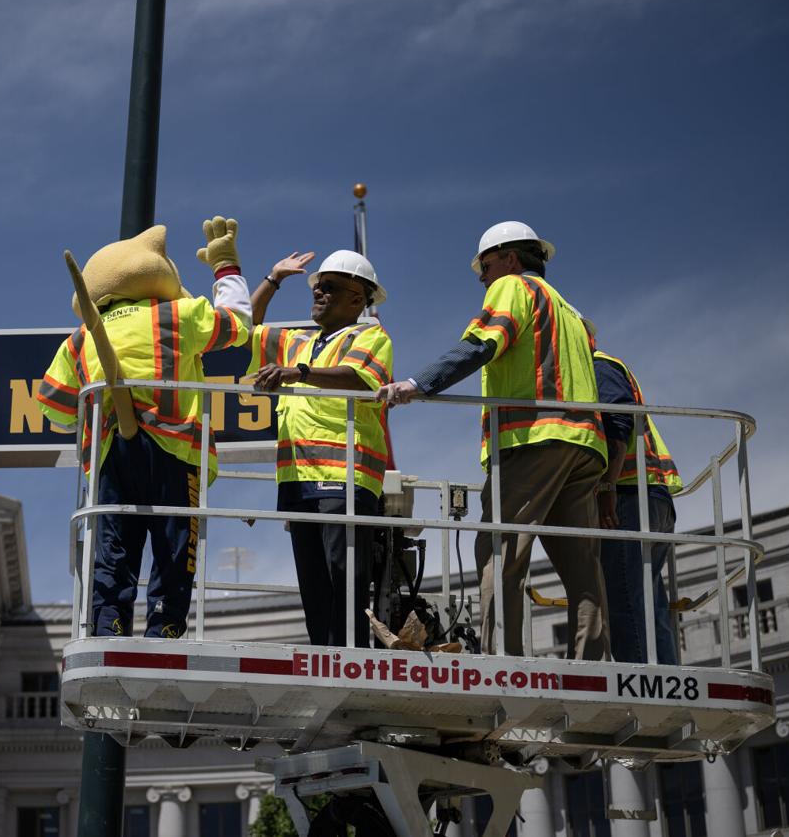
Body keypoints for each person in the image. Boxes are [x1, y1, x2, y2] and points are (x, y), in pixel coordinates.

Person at [378, 221, 609, 660]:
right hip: (583, 448)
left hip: (534, 439)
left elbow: (483, 342)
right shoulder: (571, 312)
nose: (482, 278)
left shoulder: (512, 287)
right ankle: (592, 665)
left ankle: (502, 663)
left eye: (484, 266)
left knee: (499, 554)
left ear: (509, 258)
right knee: (582, 568)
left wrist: (419, 383)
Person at [37, 218, 252, 639]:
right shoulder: (179, 315)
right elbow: (238, 325)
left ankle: (108, 623)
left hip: (109, 459)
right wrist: (225, 266)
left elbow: (57, 410)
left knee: (114, 544)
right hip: (175, 449)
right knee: (174, 545)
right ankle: (165, 627)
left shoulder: (77, 341)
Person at [249, 248, 395, 647]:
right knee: (314, 582)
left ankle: (351, 657)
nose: (318, 293)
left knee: (343, 577)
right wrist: (274, 277)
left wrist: (300, 372)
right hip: (298, 479)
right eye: (316, 287)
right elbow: (246, 324)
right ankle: (324, 655)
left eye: (329, 287)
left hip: (345, 476)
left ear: (358, 298)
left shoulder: (369, 335)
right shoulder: (298, 343)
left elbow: (360, 378)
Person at [591, 337, 682, 664]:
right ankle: (664, 681)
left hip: (629, 497)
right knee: (648, 605)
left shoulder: (597, 365)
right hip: (650, 496)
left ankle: (647, 693)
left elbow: (618, 423)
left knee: (626, 604)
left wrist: (606, 488)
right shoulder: (607, 365)